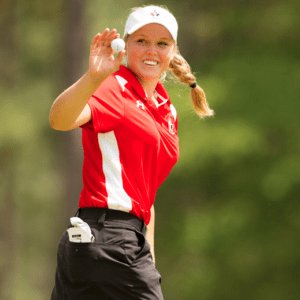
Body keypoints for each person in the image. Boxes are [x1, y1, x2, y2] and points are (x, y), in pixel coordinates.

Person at [49, 5, 213, 300]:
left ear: (173, 51)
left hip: (108, 241)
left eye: (162, 43)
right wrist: (92, 78)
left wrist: (147, 255)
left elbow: (145, 197)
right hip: (111, 239)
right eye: (141, 41)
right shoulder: (114, 87)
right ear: (125, 45)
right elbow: (59, 120)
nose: (152, 50)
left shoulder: (166, 110)